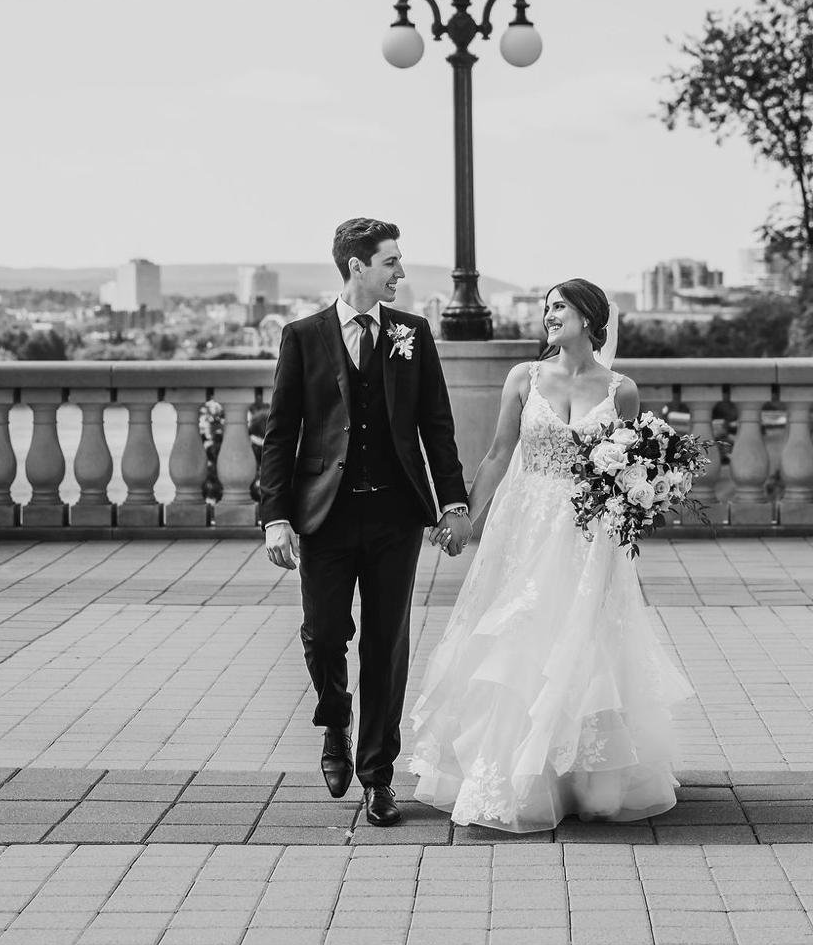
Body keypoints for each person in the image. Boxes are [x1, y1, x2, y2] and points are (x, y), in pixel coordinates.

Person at [405, 279, 698, 833]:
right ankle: (514, 771)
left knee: (584, 642)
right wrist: (466, 516)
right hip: (526, 526)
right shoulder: (524, 378)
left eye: (558, 306)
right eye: (546, 308)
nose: (548, 316)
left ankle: (585, 778)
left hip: (590, 536)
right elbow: (497, 455)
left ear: (589, 317)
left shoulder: (622, 389)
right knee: (519, 638)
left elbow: (633, 466)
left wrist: (641, 496)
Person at [257, 217, 473, 828]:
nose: (400, 273)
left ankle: (379, 776)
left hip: (395, 516)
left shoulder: (413, 333)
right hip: (324, 516)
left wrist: (452, 504)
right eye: (391, 263)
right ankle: (335, 720)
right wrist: (275, 517)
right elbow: (282, 434)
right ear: (357, 267)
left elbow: (436, 424)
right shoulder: (303, 336)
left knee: (386, 643)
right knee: (324, 634)